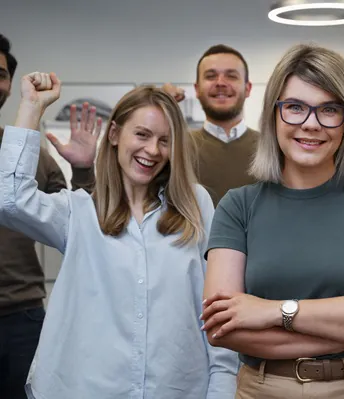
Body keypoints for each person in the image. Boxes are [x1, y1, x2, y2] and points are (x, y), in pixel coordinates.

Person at [0, 72, 239, 398]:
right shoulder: (79, 212)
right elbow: (11, 200)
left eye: (165, 140)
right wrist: (30, 105)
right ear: (114, 134)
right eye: (141, 134)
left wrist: (221, 389)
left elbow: (216, 307)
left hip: (178, 388)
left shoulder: (194, 205)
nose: (152, 150)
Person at [200, 43, 344, 398]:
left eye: (329, 110)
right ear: (273, 114)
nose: (311, 124)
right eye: (295, 108)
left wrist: (272, 311)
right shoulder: (238, 206)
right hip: (263, 389)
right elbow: (222, 327)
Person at [0, 35, 94, 399]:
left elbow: (81, 219)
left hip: (21, 315)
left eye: (1, 73)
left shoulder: (28, 153)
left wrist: (84, 170)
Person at [163, 44, 258, 206]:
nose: (220, 83)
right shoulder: (176, 146)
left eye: (231, 76)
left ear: (247, 88)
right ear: (197, 89)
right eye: (211, 76)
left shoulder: (272, 147)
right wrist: (161, 103)